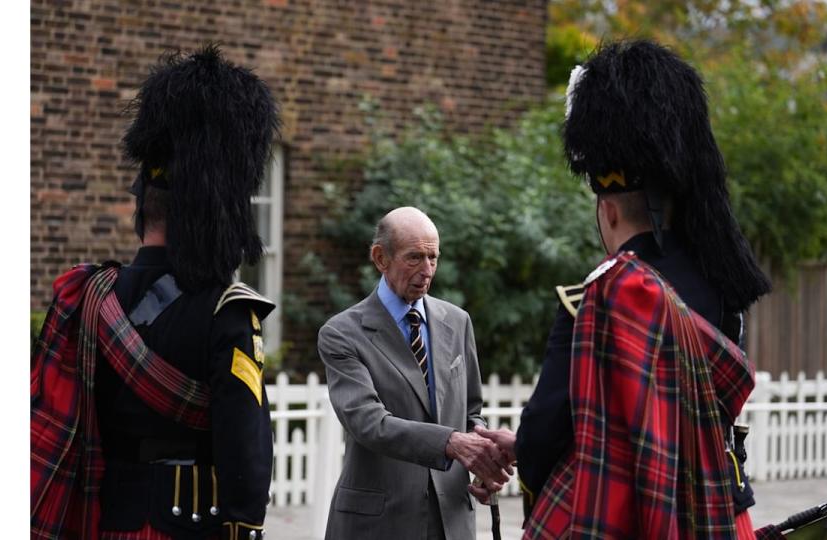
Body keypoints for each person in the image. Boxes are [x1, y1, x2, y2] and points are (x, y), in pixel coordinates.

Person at [474, 39, 772, 539]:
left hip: (624, 520)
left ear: (607, 209)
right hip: (718, 516)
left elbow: (549, 433)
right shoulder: (725, 290)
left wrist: (522, 447)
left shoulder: (595, 298)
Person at [31, 45, 279, 540]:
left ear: (142, 210)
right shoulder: (228, 310)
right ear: (216, 211)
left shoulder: (89, 295)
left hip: (111, 520)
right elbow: (244, 445)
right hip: (191, 525)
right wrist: (244, 524)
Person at [317, 206, 512, 540]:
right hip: (378, 524)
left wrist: (483, 454)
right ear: (380, 258)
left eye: (433, 257)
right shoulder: (342, 333)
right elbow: (368, 422)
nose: (427, 270)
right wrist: (451, 443)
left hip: (451, 518)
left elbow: (470, 411)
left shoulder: (458, 321)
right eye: (414, 258)